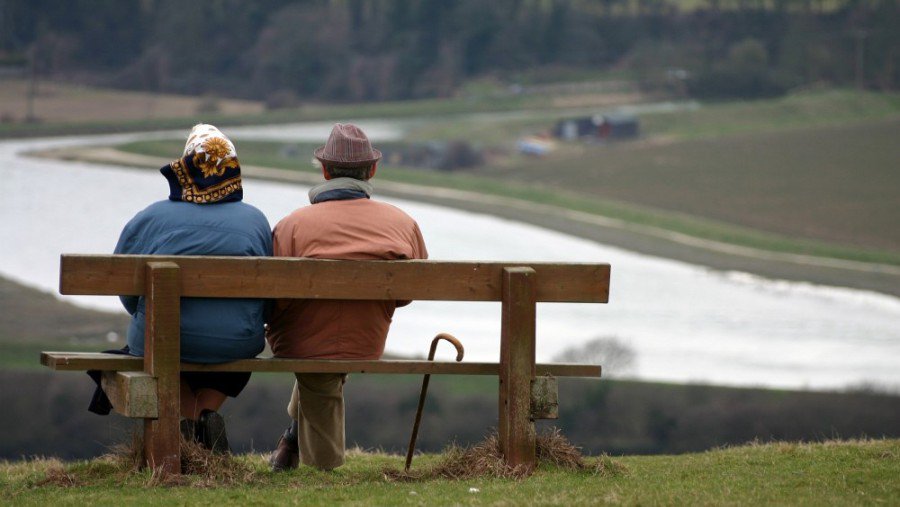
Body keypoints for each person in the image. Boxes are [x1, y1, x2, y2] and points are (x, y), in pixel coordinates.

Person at [101, 124, 272, 453]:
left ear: (186, 167)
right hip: (235, 341)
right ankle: (204, 419)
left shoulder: (151, 217)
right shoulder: (255, 220)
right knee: (230, 345)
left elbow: (125, 289)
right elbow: (264, 297)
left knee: (162, 345)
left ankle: (186, 425)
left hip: (164, 338)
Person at [267, 123, 428, 471]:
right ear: (372, 170)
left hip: (300, 343)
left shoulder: (292, 225)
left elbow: (274, 298)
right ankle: (291, 440)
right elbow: (407, 294)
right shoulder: (402, 224)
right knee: (327, 356)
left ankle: (322, 465)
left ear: (325, 171)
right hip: (366, 340)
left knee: (317, 355)